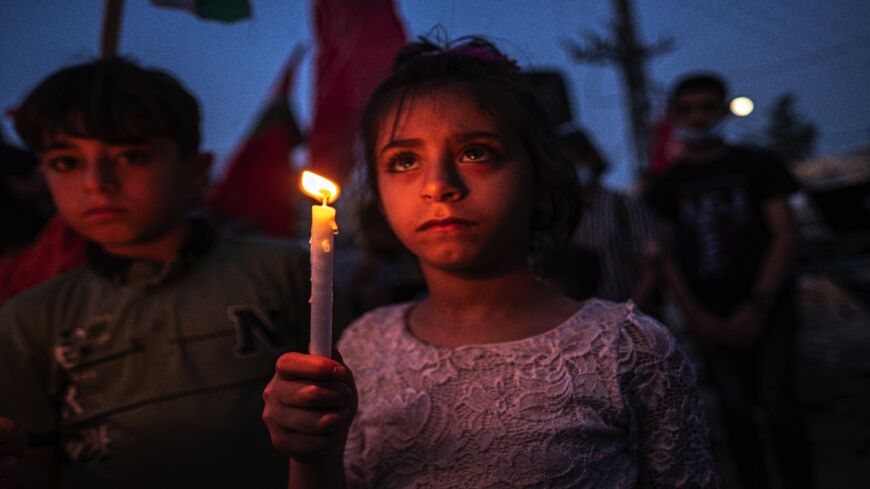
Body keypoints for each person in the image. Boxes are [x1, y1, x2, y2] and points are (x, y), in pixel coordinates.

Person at [262, 36, 719, 489]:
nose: (438, 185)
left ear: (539, 177)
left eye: (475, 152)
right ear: (378, 196)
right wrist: (312, 454)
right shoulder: (360, 348)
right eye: (404, 161)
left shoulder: (629, 350)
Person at [0, 57, 310, 488]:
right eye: (67, 162)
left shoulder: (289, 271)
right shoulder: (29, 319)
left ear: (195, 171)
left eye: (132, 155)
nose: (97, 182)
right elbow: (32, 467)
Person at [646, 73, 814, 489]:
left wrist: (758, 303)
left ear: (723, 110)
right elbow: (664, 254)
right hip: (710, 316)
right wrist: (696, 316)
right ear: (675, 115)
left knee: (779, 408)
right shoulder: (669, 184)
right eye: (687, 109)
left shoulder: (757, 164)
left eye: (707, 107)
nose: (698, 117)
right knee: (734, 414)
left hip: (768, 310)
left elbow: (786, 234)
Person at [554, 128, 660, 310]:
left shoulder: (624, 205)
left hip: (629, 313)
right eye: (564, 166)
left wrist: (631, 312)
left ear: (591, 159)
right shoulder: (559, 215)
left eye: (575, 163)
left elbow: (652, 262)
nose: (570, 172)